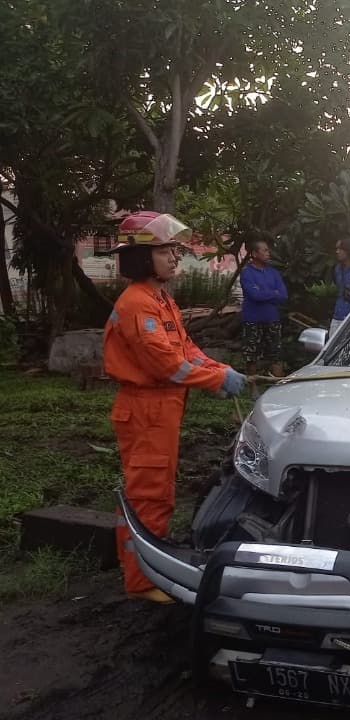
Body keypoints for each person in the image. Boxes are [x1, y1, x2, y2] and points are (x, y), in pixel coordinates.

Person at [104, 211, 246, 603]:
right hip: (146, 408)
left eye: (174, 250)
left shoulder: (160, 299)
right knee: (149, 493)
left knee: (157, 489)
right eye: (166, 250)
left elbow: (185, 350)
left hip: (160, 408)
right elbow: (165, 364)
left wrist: (218, 368)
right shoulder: (138, 304)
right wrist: (217, 380)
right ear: (141, 258)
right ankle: (140, 581)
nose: (174, 257)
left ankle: (150, 562)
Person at [239, 238, 288, 383]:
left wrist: (264, 293)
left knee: (276, 354)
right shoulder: (247, 273)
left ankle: (278, 386)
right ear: (254, 253)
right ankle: (253, 388)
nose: (268, 253)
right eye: (265, 250)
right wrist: (274, 293)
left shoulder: (273, 273)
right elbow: (254, 295)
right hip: (252, 320)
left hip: (272, 319)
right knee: (251, 356)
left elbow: (284, 295)